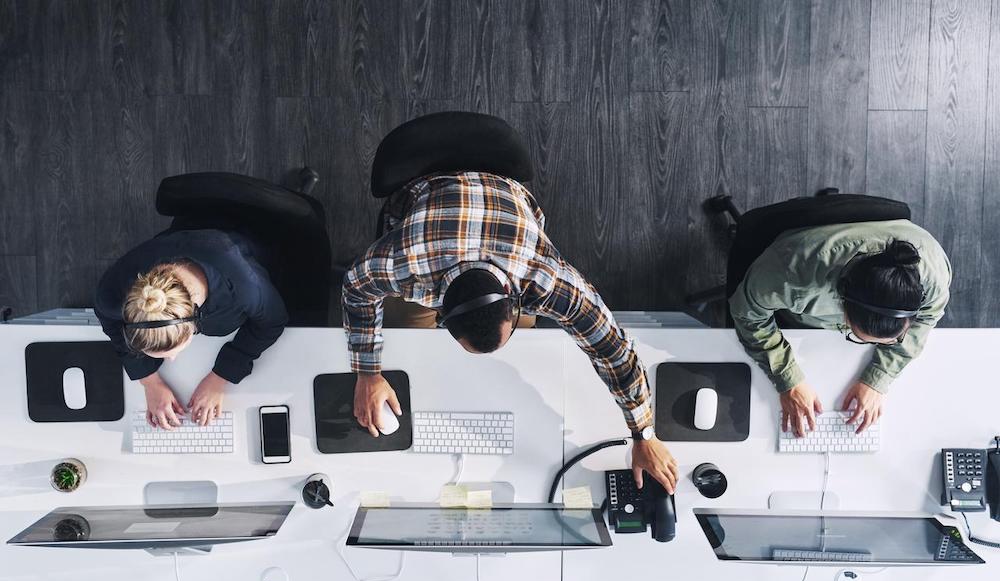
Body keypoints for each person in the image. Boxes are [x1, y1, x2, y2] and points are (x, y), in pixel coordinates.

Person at [342, 171, 678, 492]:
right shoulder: (405, 263)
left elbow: (613, 350)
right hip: (428, 199)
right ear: (439, 311)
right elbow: (356, 288)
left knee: (530, 350)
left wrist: (644, 434)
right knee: (409, 346)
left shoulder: (543, 277)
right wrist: (368, 373)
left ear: (516, 305)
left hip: (507, 218)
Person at [729, 221, 951, 437]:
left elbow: (927, 318)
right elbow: (747, 314)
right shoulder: (790, 276)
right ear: (843, 311)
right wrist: (788, 379)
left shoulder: (934, 275)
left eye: (895, 338)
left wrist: (879, 377)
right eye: (859, 336)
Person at [95, 229, 288, 429]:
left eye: (173, 351)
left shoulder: (244, 288)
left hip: (256, 239)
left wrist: (221, 376)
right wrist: (149, 381)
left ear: (194, 321)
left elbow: (272, 321)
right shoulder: (112, 293)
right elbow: (109, 321)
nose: (171, 360)